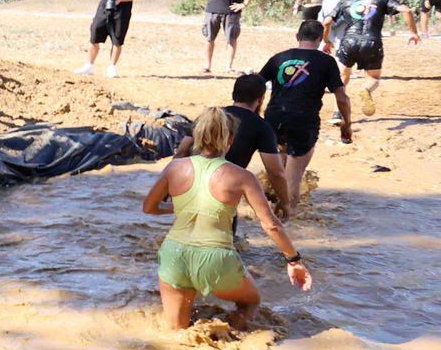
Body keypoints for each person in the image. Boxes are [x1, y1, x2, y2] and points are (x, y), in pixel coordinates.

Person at [142, 106, 311, 331]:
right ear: (230, 139)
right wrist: (294, 260)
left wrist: (180, 208)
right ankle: (229, 340)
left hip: (174, 254)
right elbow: (271, 225)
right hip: (217, 259)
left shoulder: (174, 167)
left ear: (197, 137)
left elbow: (149, 207)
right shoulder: (242, 176)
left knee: (176, 332)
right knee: (250, 302)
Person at [261, 20, 354, 208]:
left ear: (298, 36)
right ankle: (289, 219)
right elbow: (342, 97)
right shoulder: (326, 61)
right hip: (303, 119)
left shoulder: (280, 57)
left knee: (279, 168)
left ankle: (267, 209)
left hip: (274, 116)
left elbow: (255, 85)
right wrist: (347, 124)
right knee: (293, 177)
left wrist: (254, 114)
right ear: (320, 39)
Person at [172, 73, 291, 217]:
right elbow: (275, 172)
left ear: (234, 94)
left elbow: (181, 152)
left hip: (190, 187)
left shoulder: (209, 117)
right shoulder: (261, 127)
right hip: (222, 192)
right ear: (261, 99)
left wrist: (169, 188)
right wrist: (285, 202)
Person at [321, 0, 420, 119]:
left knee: (342, 78)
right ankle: (366, 89)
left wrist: (327, 40)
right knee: (373, 78)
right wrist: (413, 33)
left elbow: (326, 22)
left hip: (349, 41)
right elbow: (406, 10)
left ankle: (337, 114)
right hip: (372, 42)